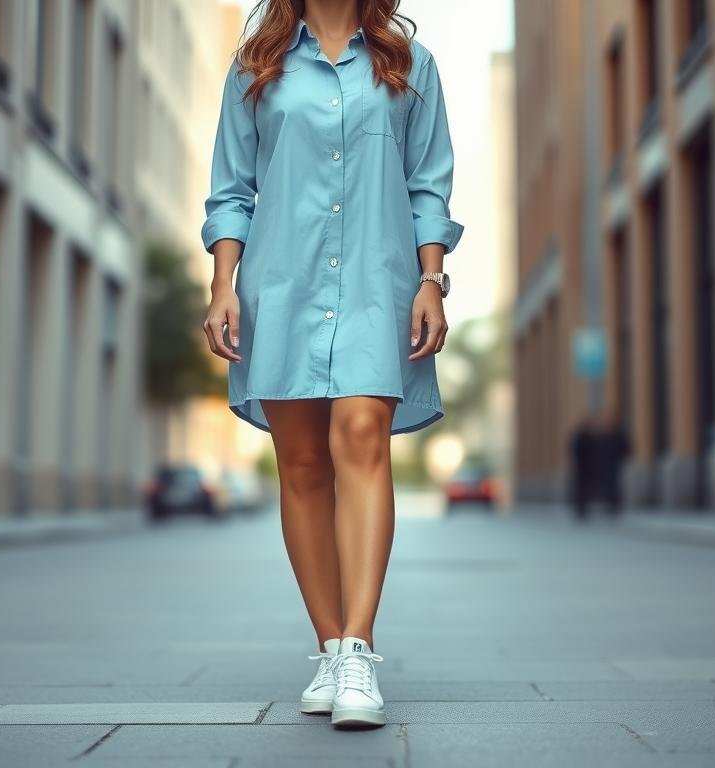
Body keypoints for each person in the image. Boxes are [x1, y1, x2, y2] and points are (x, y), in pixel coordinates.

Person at [201, 0, 463, 730]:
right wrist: (224, 285)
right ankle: (327, 647)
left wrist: (431, 282)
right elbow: (231, 191)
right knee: (305, 466)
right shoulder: (256, 66)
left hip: (379, 285)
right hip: (280, 285)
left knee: (360, 435)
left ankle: (358, 648)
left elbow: (427, 185)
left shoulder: (410, 66)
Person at [592, 408, 630, 516]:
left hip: (615, 463)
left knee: (615, 484)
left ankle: (615, 505)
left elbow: (625, 447)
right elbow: (596, 449)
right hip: (604, 463)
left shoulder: (619, 432)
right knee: (605, 484)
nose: (609, 421)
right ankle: (608, 504)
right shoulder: (602, 434)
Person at [568, 415, 597, 520]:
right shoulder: (579, 436)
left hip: (588, 467)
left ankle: (584, 508)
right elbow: (575, 451)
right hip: (581, 467)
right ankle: (580, 508)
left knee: (586, 488)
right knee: (581, 488)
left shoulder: (590, 436)